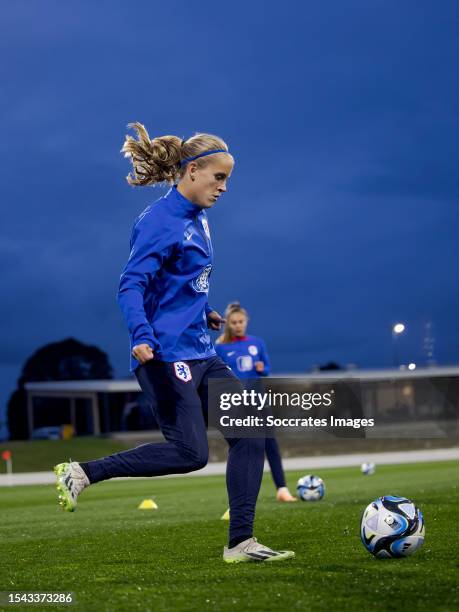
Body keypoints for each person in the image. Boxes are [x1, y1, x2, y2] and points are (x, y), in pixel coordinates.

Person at [53, 123, 294, 564]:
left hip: (201, 351)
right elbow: (131, 285)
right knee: (190, 453)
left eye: (228, 180)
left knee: (251, 431)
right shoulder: (159, 221)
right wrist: (142, 336)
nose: (223, 188)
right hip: (164, 355)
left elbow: (177, 283)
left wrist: (205, 312)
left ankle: (240, 543)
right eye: (218, 178)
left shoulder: (199, 220)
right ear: (193, 170)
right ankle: (84, 472)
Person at [215, 302, 297, 502]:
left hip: (259, 400)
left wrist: (261, 368)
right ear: (228, 324)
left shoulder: (257, 343)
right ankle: (240, 494)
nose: (238, 325)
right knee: (242, 447)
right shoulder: (220, 348)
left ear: (246, 321)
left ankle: (282, 489)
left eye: (241, 321)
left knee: (270, 444)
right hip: (235, 404)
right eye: (234, 322)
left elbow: (266, 369)